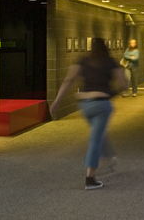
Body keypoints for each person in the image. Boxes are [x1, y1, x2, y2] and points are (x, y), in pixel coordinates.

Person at [50, 37, 127, 190]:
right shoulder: (111, 62)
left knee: (98, 134)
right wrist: (109, 93)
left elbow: (68, 80)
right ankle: (90, 178)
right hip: (101, 105)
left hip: (85, 106)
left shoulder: (83, 61)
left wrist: (57, 100)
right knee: (95, 139)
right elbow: (123, 84)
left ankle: (110, 159)